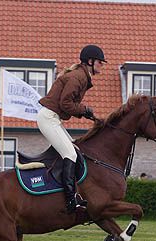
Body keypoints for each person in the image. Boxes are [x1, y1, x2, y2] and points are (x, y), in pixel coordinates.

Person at [38, 45, 107, 214]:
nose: (102, 65)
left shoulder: (81, 76)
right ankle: (69, 201)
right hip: (48, 119)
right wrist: (84, 110)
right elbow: (65, 104)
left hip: (53, 119)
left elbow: (68, 105)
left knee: (75, 150)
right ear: (90, 61)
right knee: (70, 154)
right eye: (100, 62)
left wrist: (87, 113)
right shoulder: (78, 77)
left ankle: (74, 193)